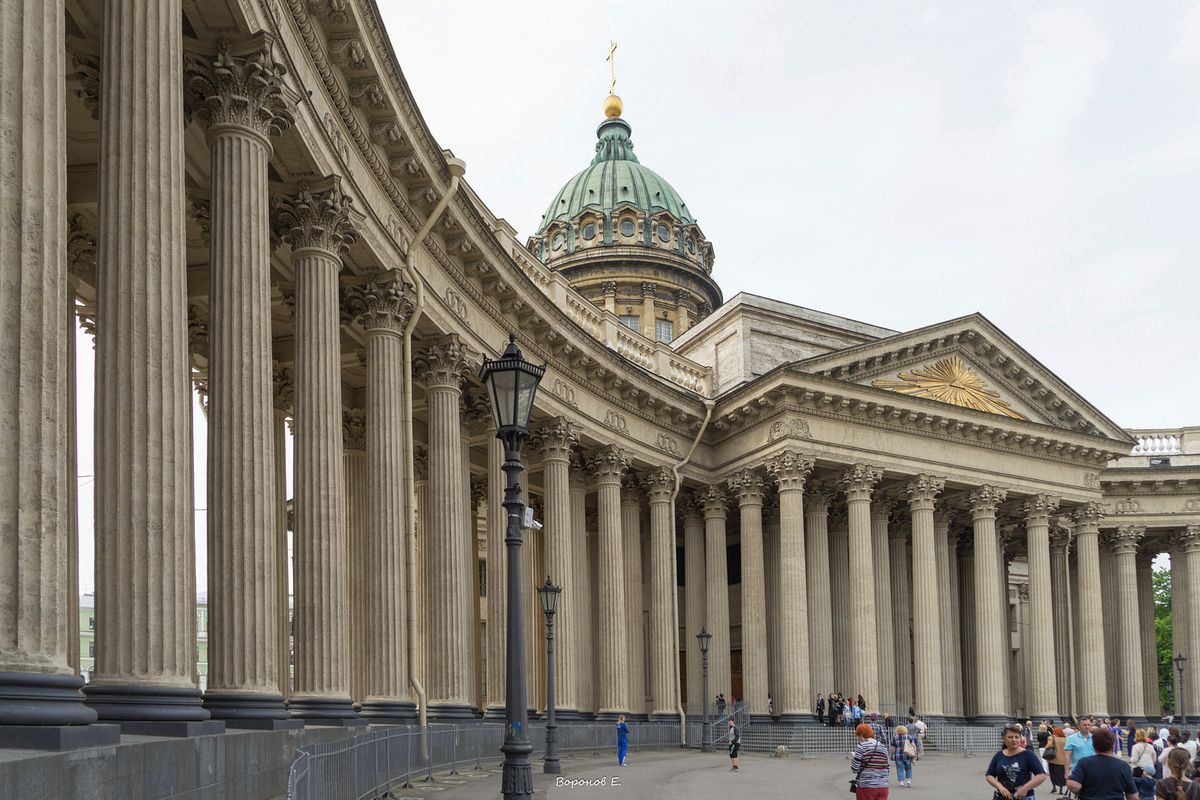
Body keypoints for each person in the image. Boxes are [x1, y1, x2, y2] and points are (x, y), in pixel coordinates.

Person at [1066, 727, 1135, 800]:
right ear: (1113, 745)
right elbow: (1133, 796)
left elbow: (1074, 785)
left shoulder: (1084, 763)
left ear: (1093, 745)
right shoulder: (1123, 766)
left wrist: (1081, 791)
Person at [986, 722, 1047, 799]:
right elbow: (989, 775)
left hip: (1024, 797)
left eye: (1016, 737)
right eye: (1010, 737)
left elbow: (1041, 775)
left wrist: (1025, 788)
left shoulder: (1028, 754)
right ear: (1003, 738)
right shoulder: (999, 755)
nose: (1014, 740)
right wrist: (1000, 787)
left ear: (1020, 738)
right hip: (1002, 797)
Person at [850, 723, 890, 799]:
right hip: (883, 786)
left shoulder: (861, 746)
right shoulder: (882, 747)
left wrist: (854, 758)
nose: (858, 738)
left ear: (862, 735)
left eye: (858, 736)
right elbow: (887, 768)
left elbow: (855, 769)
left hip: (866, 785)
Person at [890, 724, 919, 788]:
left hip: (898, 756)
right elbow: (914, 746)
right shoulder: (909, 737)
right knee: (908, 768)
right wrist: (915, 755)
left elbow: (892, 748)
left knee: (900, 769)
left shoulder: (894, 738)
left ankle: (901, 783)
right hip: (907, 755)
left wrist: (891, 756)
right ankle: (908, 781)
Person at [1046, 726, 1070, 794]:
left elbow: (1048, 746)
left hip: (1053, 759)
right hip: (1063, 760)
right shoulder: (1065, 739)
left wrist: (1045, 747)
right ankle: (1061, 789)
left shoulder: (1051, 738)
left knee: (1053, 773)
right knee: (1061, 775)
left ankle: (1054, 787)